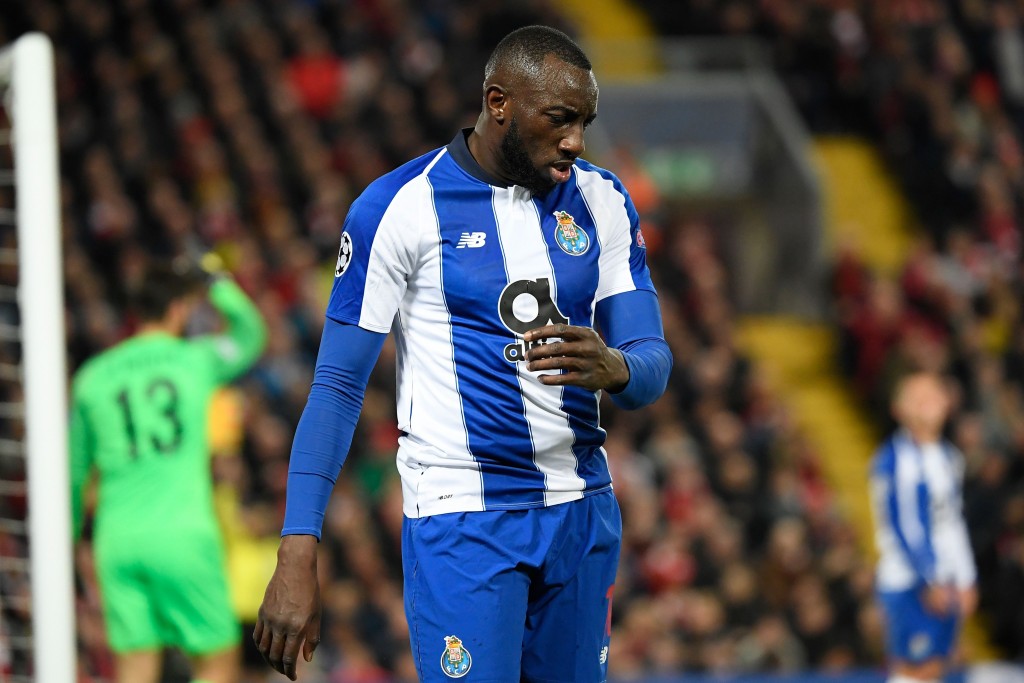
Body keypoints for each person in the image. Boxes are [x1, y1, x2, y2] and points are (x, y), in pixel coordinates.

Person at [255, 24, 673, 682]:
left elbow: (651, 361)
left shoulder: (602, 200)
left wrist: (617, 368)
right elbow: (337, 386)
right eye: (560, 120)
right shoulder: (398, 208)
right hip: (464, 520)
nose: (576, 141)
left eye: (586, 122)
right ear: (499, 102)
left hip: (581, 509)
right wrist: (298, 546)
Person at [70, 260, 268, 683]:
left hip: (117, 541)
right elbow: (250, 334)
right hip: (183, 535)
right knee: (215, 659)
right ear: (178, 309)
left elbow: (73, 476)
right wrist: (216, 282)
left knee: (135, 665)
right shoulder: (194, 362)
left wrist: (71, 541)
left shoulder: (91, 379)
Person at [869, 372, 978, 683]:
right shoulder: (897, 459)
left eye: (932, 395)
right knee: (914, 670)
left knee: (935, 670)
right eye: (917, 398)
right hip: (910, 581)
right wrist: (931, 577)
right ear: (899, 409)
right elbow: (905, 526)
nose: (927, 404)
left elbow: (953, 523)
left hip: (945, 580)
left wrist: (967, 577)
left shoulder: (948, 457)